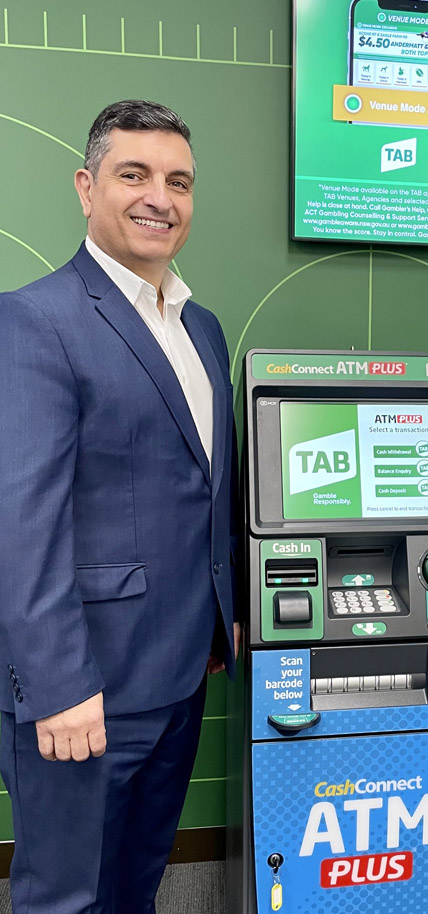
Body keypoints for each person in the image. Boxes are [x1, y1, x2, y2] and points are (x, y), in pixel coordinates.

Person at [0, 100, 239, 914]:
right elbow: (21, 526)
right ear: (85, 187)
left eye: (179, 181)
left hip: (180, 675)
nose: (159, 199)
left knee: (137, 883)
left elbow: (202, 488)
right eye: (133, 175)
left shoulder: (202, 328)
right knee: (66, 896)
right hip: (84, 691)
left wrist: (219, 622)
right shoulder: (35, 321)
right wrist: (58, 686)